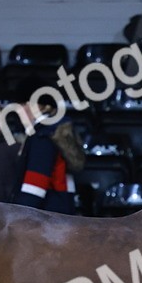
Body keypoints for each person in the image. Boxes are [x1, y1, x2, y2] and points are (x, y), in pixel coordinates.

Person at [11, 83, 85, 214]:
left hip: (47, 215)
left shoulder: (42, 136)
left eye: (22, 105)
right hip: (60, 208)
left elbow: (35, 186)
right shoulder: (53, 130)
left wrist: (18, 215)